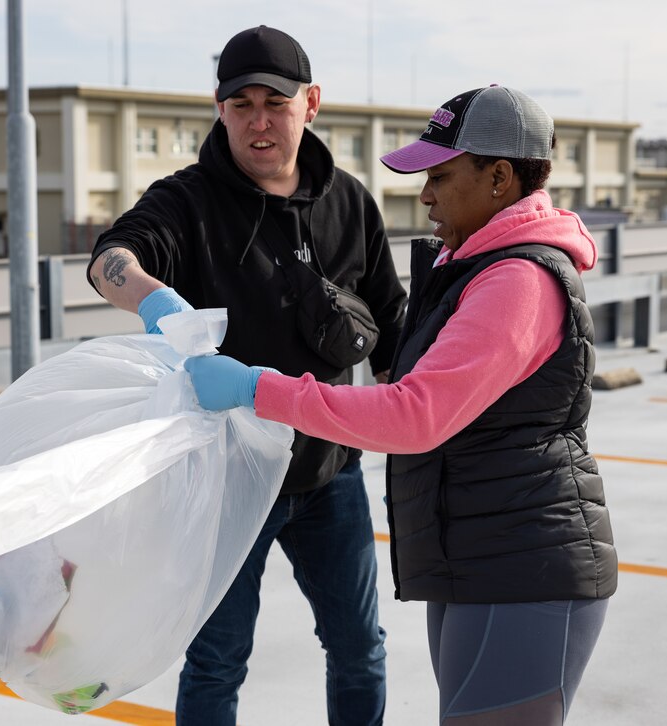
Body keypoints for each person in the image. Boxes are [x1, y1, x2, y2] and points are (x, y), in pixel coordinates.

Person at [185, 84, 618, 726]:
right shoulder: (472, 267)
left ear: (499, 178)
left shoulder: (517, 280)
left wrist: (258, 388)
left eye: (441, 176)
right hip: (482, 558)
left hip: (526, 568)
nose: (426, 196)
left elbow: (412, 416)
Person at [86, 25, 407, 726]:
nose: (259, 121)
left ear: (311, 103)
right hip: (224, 484)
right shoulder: (188, 200)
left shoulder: (350, 202)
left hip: (330, 472)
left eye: (276, 102)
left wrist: (413, 421)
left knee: (359, 647)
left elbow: (391, 318)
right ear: (219, 108)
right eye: (241, 104)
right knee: (217, 659)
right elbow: (110, 258)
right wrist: (151, 295)